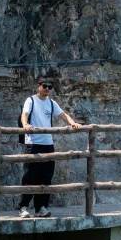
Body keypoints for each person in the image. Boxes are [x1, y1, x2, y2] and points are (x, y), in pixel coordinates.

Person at [19, 78, 82, 218]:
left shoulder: (51, 103)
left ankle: (41, 207)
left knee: (46, 177)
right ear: (38, 86)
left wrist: (73, 123)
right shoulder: (31, 100)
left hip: (48, 143)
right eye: (45, 86)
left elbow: (63, 114)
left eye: (50, 87)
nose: (47, 89)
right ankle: (23, 207)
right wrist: (25, 125)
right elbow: (24, 114)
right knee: (30, 176)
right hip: (33, 143)